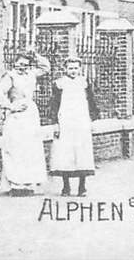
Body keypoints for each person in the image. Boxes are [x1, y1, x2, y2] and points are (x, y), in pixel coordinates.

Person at [0, 49, 51, 195]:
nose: (22, 67)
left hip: (30, 115)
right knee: (15, 147)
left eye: (26, 64)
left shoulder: (31, 74)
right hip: (16, 116)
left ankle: (29, 183)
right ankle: (16, 184)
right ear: (14, 63)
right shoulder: (10, 76)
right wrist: (11, 106)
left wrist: (35, 55)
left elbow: (46, 67)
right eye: (20, 64)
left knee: (30, 148)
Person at [49, 56, 99, 197]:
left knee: (81, 153)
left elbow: (91, 101)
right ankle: (66, 187)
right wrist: (55, 123)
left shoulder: (84, 83)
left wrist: (92, 120)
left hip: (81, 122)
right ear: (65, 69)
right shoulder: (59, 84)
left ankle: (82, 187)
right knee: (65, 153)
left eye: (76, 68)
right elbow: (54, 105)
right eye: (70, 68)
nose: (73, 71)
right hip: (65, 122)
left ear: (80, 69)